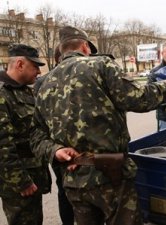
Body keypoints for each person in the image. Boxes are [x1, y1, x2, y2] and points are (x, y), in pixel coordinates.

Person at [30, 25, 166, 225]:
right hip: (111, 178)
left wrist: (55, 150)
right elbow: (137, 98)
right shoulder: (101, 65)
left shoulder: (44, 83)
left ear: (62, 50)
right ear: (85, 47)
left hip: (75, 182)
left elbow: (35, 136)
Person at [0, 44, 51, 225]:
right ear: (20, 64)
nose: (38, 71)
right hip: (18, 185)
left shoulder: (25, 91)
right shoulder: (3, 93)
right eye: (35, 66)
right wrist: (21, 182)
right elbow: (3, 146)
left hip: (33, 176)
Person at [34, 46, 75, 225]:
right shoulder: (43, 82)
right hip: (61, 150)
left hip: (58, 148)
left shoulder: (42, 81)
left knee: (66, 190)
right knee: (66, 191)